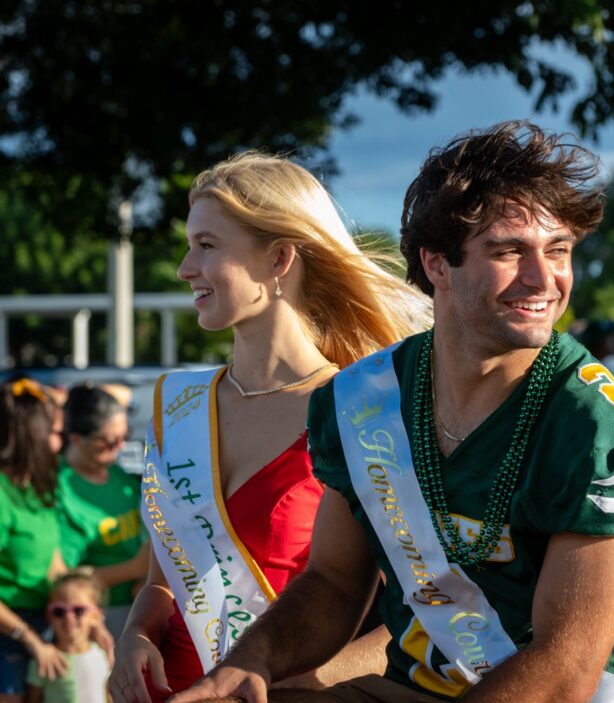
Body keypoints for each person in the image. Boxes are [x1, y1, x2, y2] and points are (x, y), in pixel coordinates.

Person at [169, 122, 614, 703]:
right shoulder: (360, 397)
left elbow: (564, 671)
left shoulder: (607, 430)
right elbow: (335, 583)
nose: (544, 279)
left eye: (558, 250)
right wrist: (249, 662)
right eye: (509, 251)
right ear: (437, 264)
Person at [109, 151, 430, 703]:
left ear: (280, 258)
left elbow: (420, 614)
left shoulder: (367, 410)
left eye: (207, 246)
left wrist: (291, 678)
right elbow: (162, 582)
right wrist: (135, 638)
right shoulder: (178, 404)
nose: (186, 268)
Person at [58, 385, 148, 639]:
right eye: (109, 441)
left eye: (124, 436)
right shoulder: (61, 489)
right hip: (98, 617)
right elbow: (64, 578)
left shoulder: (117, 475)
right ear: (75, 438)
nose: (120, 447)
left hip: (139, 603)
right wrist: (135, 568)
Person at [0, 379, 69, 703]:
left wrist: (84, 610)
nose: (61, 443)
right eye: (55, 434)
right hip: (10, 629)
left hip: (41, 620)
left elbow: (52, 561)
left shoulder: (37, 486)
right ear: (32, 437)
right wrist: (28, 638)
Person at [25, 572, 109, 703]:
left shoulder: (102, 655)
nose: (68, 617)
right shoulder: (43, 660)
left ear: (96, 617)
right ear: (49, 616)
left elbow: (109, 696)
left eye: (79, 610)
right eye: (59, 611)